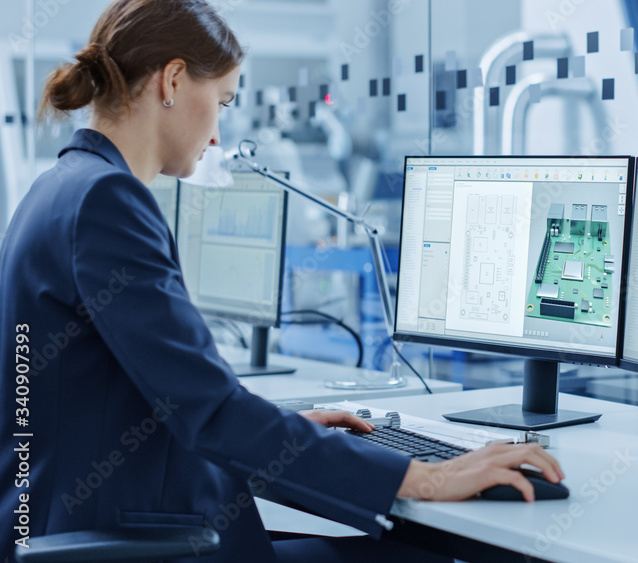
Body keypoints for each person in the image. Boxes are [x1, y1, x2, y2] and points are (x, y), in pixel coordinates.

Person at [0, 1, 563, 561]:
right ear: (172, 81)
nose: (217, 135)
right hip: (127, 541)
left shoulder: (56, 189)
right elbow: (213, 413)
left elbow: (146, 398)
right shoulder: (108, 200)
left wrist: (283, 429)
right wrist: (424, 477)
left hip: (74, 523)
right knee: (422, 554)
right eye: (221, 102)